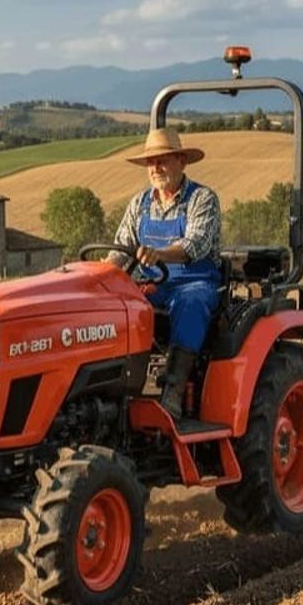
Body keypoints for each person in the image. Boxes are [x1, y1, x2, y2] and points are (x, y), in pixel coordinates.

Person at [112, 128, 222, 420]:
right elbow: (121, 250)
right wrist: (98, 271)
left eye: (163, 160)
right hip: (153, 284)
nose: (156, 168)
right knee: (113, 307)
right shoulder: (139, 204)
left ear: (181, 161)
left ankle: (172, 389)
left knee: (190, 303)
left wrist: (159, 253)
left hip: (194, 282)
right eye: (151, 162)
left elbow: (194, 245)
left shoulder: (202, 199)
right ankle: (120, 388)